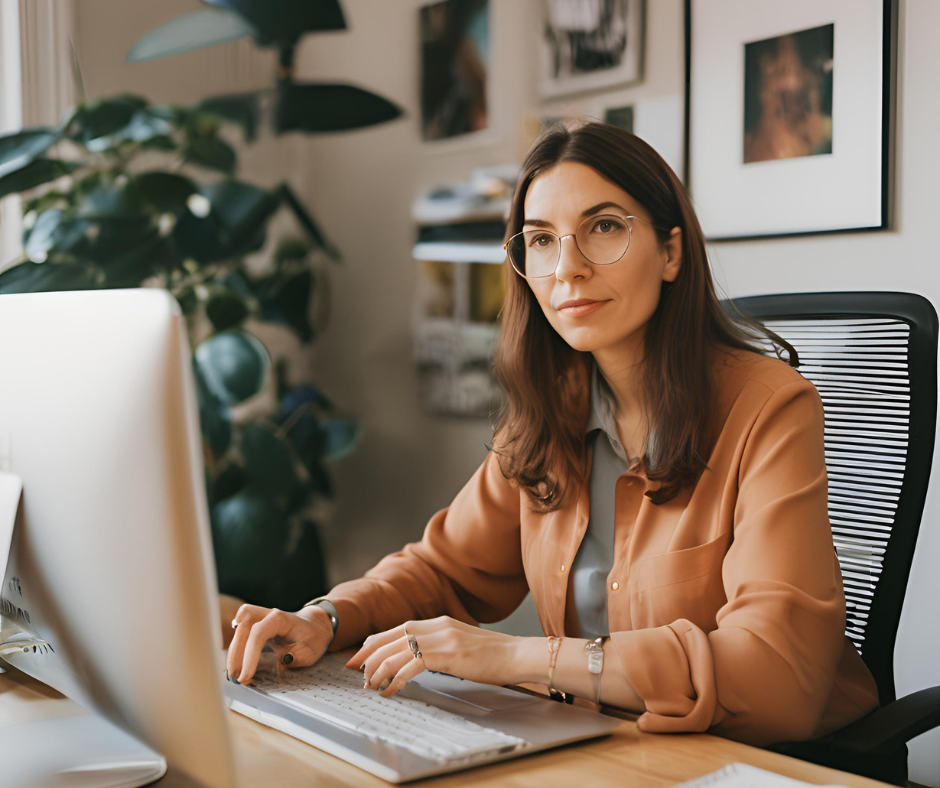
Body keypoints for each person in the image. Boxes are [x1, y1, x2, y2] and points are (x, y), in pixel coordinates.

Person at [226, 121, 879, 747]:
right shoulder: (550, 414)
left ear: (671, 252)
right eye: (540, 239)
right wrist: (324, 618)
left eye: (602, 228)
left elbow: (777, 681)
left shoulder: (770, 410)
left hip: (757, 764)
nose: (567, 268)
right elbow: (440, 570)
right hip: (601, 749)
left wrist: (516, 658)